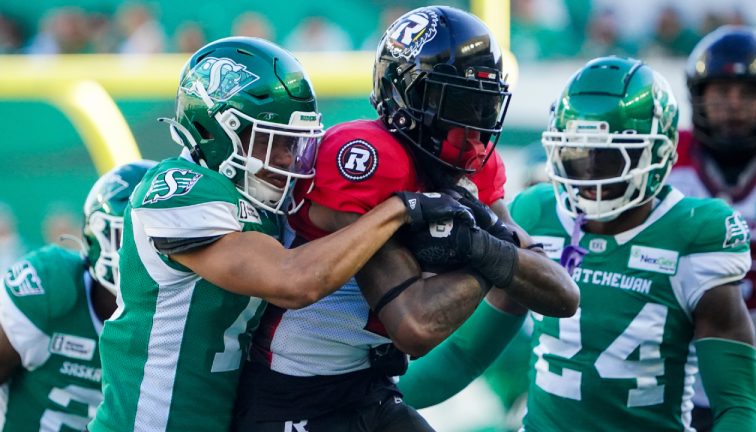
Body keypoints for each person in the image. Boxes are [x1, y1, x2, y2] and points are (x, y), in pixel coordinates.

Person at [87, 37, 473, 432]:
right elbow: (294, 281)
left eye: (295, 143)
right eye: (272, 142)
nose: (289, 160)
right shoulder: (178, 188)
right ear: (215, 130)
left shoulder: (261, 204)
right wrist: (398, 209)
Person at [232, 6, 579, 432]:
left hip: (372, 388)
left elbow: (563, 295)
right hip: (290, 394)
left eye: (484, 107)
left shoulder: (472, 166)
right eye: (460, 103)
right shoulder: (364, 157)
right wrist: (491, 254)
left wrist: (483, 246)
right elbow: (413, 325)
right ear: (406, 96)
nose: (473, 128)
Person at [509, 56, 756, 431]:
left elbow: (736, 406)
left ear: (658, 153)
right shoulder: (535, 214)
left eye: (611, 157)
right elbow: (464, 353)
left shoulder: (694, 232)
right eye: (577, 154)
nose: (591, 172)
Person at [0, 160, 156, 431]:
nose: (145, 253)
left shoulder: (191, 313)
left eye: (157, 237)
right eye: (129, 236)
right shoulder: (53, 284)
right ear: (99, 236)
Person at [668, 25, 756, 431]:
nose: (733, 105)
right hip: (679, 379)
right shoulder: (664, 161)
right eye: (720, 92)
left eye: (747, 93)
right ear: (698, 95)